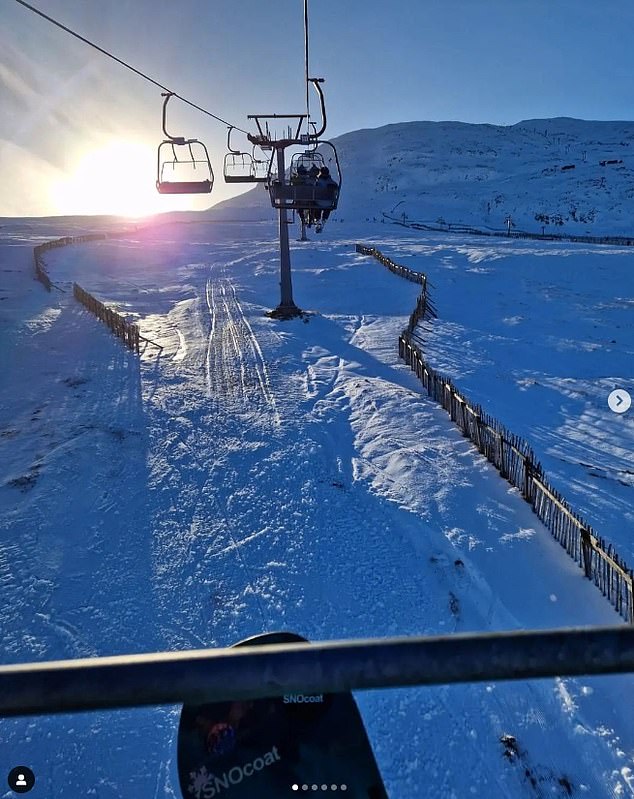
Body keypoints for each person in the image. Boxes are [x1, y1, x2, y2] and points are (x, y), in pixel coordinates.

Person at [314, 166, 338, 232]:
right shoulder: (332, 182)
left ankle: (317, 220)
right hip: (329, 202)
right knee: (327, 208)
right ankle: (323, 220)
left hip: (319, 202)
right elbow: (336, 189)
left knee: (316, 206)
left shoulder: (318, 182)